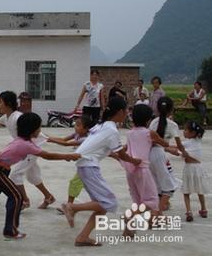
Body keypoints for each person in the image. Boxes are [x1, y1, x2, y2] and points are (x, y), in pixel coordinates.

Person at [0, 112, 81, 240]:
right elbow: (47, 155)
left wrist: (66, 155)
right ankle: (10, 231)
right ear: (32, 130)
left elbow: (47, 153)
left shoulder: (23, 141)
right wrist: (68, 156)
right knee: (17, 196)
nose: (40, 130)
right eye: (39, 127)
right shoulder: (25, 144)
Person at [60, 97, 141, 247]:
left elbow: (105, 147)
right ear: (120, 112)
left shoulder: (102, 125)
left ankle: (82, 237)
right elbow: (120, 154)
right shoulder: (112, 130)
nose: (127, 114)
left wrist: (121, 152)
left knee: (102, 206)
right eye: (126, 110)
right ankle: (72, 207)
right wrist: (134, 161)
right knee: (109, 202)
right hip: (89, 166)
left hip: (85, 164)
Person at [0, 91, 56, 210]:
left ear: (8, 104)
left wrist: (54, 140)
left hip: (29, 149)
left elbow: (34, 130)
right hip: (25, 149)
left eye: (1, 102)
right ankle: (48, 196)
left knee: (15, 174)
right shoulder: (7, 116)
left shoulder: (17, 117)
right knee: (32, 175)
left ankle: (24, 200)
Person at [117, 104, 168, 237]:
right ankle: (130, 216)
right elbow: (164, 143)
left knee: (138, 200)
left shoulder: (129, 133)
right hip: (143, 169)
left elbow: (127, 147)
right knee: (152, 201)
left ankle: (129, 231)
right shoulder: (149, 132)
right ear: (148, 120)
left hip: (130, 171)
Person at [47, 115, 92, 208]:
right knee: (90, 186)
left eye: (79, 125)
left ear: (86, 129)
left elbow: (66, 144)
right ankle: (100, 203)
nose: (75, 127)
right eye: (76, 124)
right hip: (82, 164)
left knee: (74, 183)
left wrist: (52, 140)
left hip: (88, 166)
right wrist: (48, 138)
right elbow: (63, 139)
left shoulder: (85, 139)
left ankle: (69, 206)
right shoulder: (76, 134)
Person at [149, 97, 182, 212]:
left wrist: (168, 148)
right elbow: (179, 145)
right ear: (171, 110)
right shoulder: (173, 125)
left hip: (150, 155)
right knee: (169, 186)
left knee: (157, 184)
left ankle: (160, 209)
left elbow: (152, 141)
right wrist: (181, 151)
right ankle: (157, 214)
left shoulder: (153, 122)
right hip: (160, 155)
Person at [178, 121, 209, 222]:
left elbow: (178, 149)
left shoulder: (187, 143)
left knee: (186, 191)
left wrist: (166, 148)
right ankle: (204, 209)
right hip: (198, 168)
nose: (184, 131)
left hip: (189, 168)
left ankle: (189, 212)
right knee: (200, 190)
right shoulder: (198, 140)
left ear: (192, 133)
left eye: (186, 130)